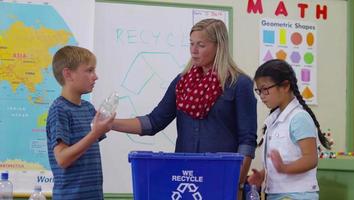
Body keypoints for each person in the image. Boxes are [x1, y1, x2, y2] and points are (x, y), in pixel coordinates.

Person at [112, 18, 258, 193]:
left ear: (219, 46)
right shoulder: (182, 82)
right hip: (184, 175)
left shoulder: (239, 83)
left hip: (221, 178)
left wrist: (237, 183)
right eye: (191, 44)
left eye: (201, 45)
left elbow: (247, 140)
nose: (194, 51)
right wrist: (111, 123)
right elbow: (154, 122)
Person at [248, 59, 331, 200]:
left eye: (265, 89)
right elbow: (283, 160)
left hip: (297, 194)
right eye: (259, 90)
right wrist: (263, 175)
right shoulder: (274, 119)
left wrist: (284, 168)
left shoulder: (299, 118)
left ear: (285, 86)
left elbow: (311, 159)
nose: (261, 96)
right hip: (277, 194)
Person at [46, 46, 115, 200]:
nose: (95, 77)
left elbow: (95, 135)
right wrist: (95, 134)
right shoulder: (59, 109)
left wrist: (108, 124)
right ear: (68, 74)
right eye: (89, 71)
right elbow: (62, 159)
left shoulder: (88, 108)